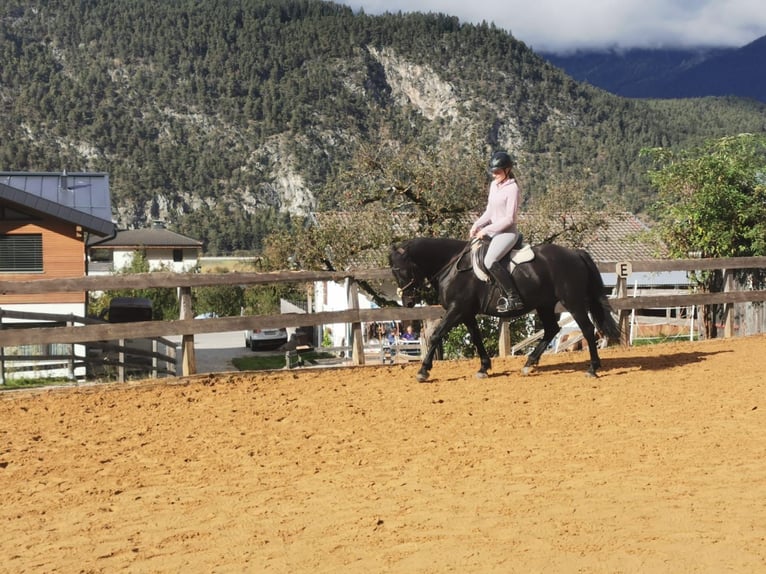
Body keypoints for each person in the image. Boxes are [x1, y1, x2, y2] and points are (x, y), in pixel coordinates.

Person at [469, 150, 524, 312]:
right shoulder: (494, 185)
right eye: (493, 172)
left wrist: (486, 230)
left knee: (489, 261)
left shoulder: (512, 189)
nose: (494, 175)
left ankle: (514, 298)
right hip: (493, 232)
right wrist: (476, 224)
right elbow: (490, 211)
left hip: (507, 233)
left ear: (507, 170)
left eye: (498, 172)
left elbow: (509, 219)